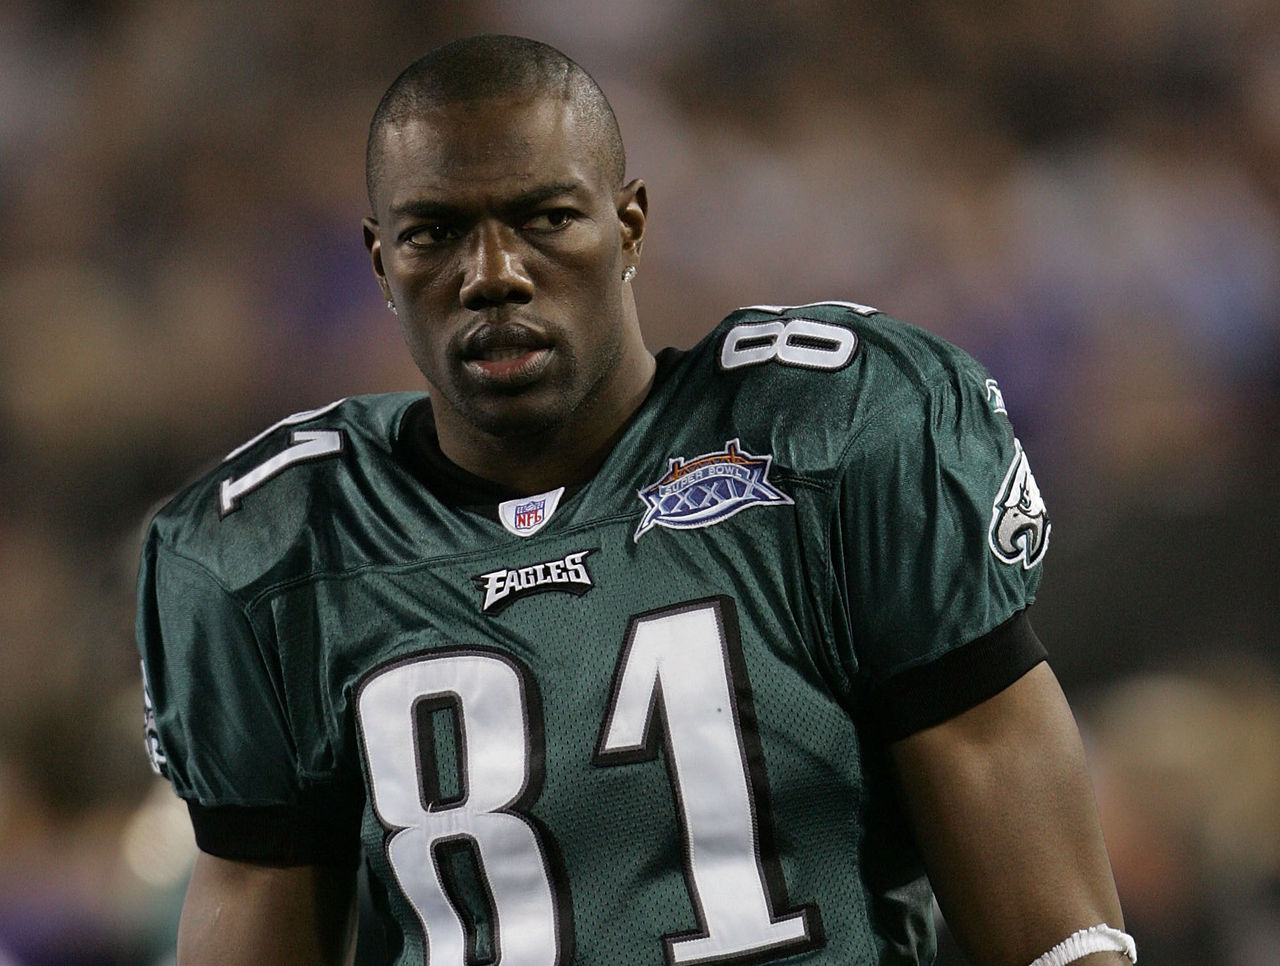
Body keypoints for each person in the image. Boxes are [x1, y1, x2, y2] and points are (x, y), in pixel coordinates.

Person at [135, 34, 1134, 966]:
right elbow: (251, 899)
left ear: (628, 223)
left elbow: (1053, 930)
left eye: (543, 218)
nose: (492, 276)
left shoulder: (831, 433)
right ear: (380, 263)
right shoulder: (271, 551)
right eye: (435, 233)